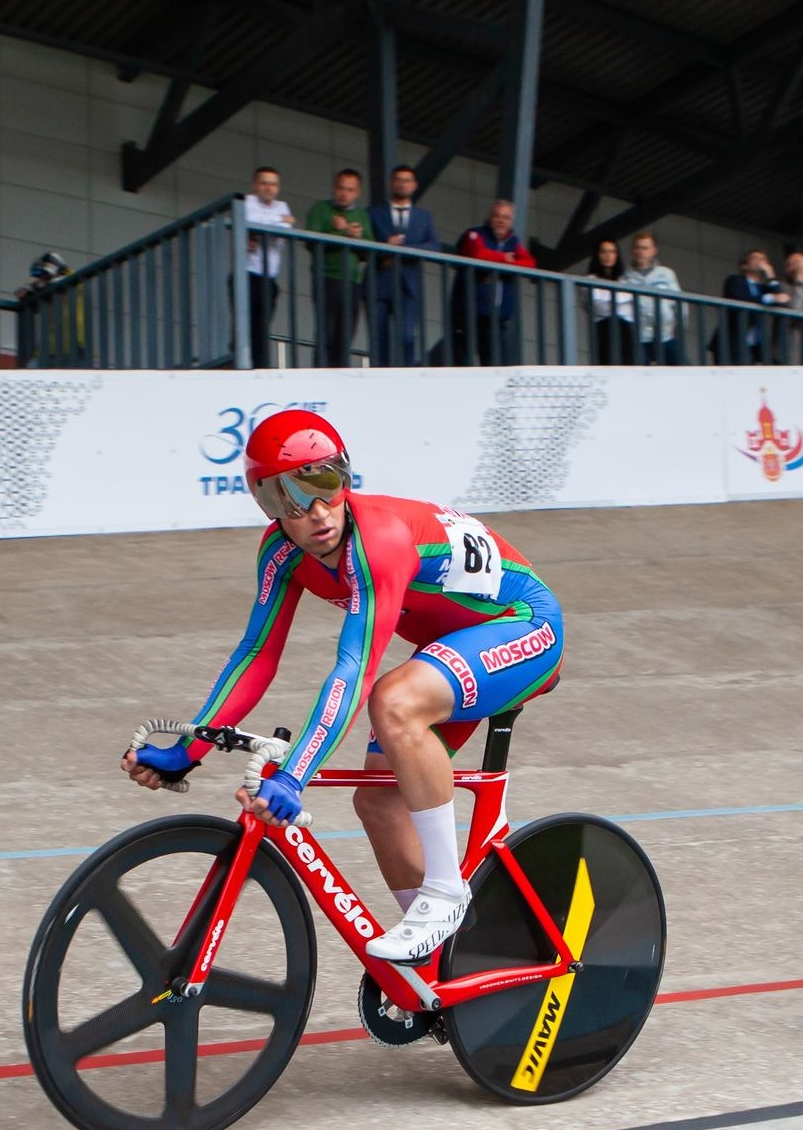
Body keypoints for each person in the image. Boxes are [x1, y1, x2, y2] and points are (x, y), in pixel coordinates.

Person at [123, 410, 564, 972]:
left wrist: (294, 774)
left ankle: (447, 894)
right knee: (378, 800)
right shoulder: (282, 554)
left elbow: (352, 669)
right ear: (265, 508)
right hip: (458, 645)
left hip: (526, 625)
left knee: (392, 701)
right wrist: (189, 751)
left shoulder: (378, 540)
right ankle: (440, 968)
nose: (311, 512)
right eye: (284, 499)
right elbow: (256, 655)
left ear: (346, 479)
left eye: (321, 483)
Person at [365, 165, 437, 367]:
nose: (402, 184)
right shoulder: (373, 212)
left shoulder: (423, 216)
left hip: (408, 285)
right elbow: (364, 244)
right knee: (378, 340)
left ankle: (406, 376)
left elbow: (434, 246)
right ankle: (380, 379)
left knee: (406, 337)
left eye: (407, 180)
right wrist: (384, 250)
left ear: (414, 186)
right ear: (391, 183)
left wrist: (404, 248)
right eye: (398, 179)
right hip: (378, 281)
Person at [303, 169, 372, 368]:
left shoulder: (361, 215)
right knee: (326, 331)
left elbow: (369, 250)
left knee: (346, 332)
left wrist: (356, 237)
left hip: (353, 280)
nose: (344, 193)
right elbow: (311, 242)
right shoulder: (320, 209)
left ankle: (339, 375)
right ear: (334, 188)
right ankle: (321, 373)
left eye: (350, 190)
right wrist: (341, 231)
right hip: (326, 277)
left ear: (357, 193)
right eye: (341, 188)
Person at [455, 198, 536, 366]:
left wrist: (497, 267)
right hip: (469, 310)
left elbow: (530, 263)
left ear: (511, 221)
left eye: (506, 217)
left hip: (495, 315)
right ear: (490, 217)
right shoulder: (474, 234)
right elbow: (478, 254)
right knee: (463, 363)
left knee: (495, 364)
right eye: (497, 216)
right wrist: (505, 259)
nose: (501, 221)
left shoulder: (513, 241)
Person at [241, 166, 295, 367]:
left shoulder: (282, 206)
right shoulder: (247, 202)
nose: (269, 188)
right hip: (247, 274)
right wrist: (277, 221)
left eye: (273, 184)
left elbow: (285, 229)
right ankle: (241, 366)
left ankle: (259, 368)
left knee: (262, 329)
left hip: (269, 278)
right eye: (264, 183)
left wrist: (268, 226)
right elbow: (252, 222)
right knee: (244, 327)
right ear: (255, 185)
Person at [625, 229, 684, 364]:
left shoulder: (667, 274)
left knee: (683, 371)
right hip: (639, 336)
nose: (640, 251)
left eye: (645, 248)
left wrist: (680, 326)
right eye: (637, 247)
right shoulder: (625, 279)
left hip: (666, 334)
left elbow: (679, 303)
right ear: (633, 251)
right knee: (642, 376)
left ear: (654, 250)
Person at [716, 250, 782, 364]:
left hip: (756, 344)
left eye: (763, 259)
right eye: (756, 258)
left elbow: (781, 300)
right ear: (744, 265)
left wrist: (771, 276)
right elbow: (738, 298)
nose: (761, 261)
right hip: (733, 341)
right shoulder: (734, 280)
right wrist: (767, 298)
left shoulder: (763, 288)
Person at [585, 237, 637, 364]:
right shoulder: (590, 279)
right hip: (603, 328)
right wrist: (621, 301)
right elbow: (599, 307)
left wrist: (607, 299)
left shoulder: (624, 280)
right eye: (604, 252)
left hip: (625, 329)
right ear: (598, 255)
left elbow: (629, 311)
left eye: (612, 252)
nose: (608, 255)